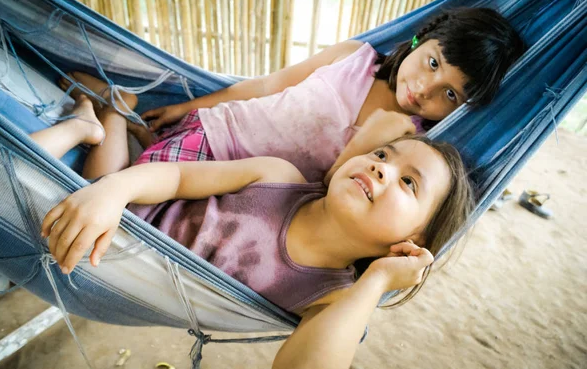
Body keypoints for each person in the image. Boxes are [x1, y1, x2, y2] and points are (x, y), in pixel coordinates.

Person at [33, 96, 474, 369]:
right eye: (383, 153)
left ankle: (98, 121)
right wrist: (117, 189)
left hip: (124, 267)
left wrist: (377, 279)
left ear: (414, 243)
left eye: (408, 182)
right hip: (126, 209)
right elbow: (178, 180)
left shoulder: (333, 299)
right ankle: (100, 117)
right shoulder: (277, 175)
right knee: (79, 184)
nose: (381, 166)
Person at [58, 7, 525, 184]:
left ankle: (120, 115)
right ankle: (120, 111)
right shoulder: (353, 58)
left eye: (448, 93)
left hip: (247, 187)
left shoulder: (408, 142)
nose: (425, 89)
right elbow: (264, 87)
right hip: (218, 137)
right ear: (424, 40)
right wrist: (187, 105)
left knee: (154, 210)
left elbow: (340, 186)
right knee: (108, 192)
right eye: (433, 63)